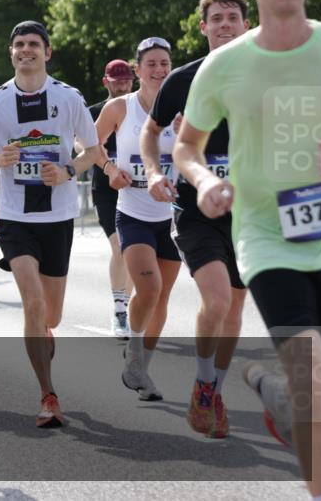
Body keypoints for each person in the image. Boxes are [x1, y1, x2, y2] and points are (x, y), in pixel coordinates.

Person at [175, 0, 321, 499]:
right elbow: (185, 146)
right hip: (267, 237)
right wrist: (204, 180)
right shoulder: (223, 66)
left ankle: (281, 395)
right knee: (315, 376)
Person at [0, 21, 101, 428]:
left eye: (33, 44)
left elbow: (92, 150)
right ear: (11, 52)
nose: (25, 50)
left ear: (47, 51)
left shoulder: (69, 97)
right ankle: (48, 395)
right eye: (19, 44)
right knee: (32, 303)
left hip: (57, 216)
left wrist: (67, 171)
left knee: (51, 315)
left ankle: (45, 332)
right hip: (15, 218)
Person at [140, 0, 251, 438]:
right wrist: (153, 173)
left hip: (250, 212)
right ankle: (205, 384)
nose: (224, 25)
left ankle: (213, 391)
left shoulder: (267, 77)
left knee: (236, 307)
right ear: (204, 27)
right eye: (216, 19)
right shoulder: (183, 79)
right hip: (196, 207)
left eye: (232, 17)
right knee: (218, 300)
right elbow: (151, 132)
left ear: (246, 25)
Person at [96, 37, 181, 402]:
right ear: (138, 69)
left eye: (165, 64)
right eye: (152, 64)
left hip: (172, 218)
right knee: (149, 288)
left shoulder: (183, 108)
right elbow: (89, 143)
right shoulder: (120, 107)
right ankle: (133, 349)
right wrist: (109, 168)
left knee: (161, 299)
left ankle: (139, 367)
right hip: (132, 213)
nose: (159, 70)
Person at [88, 60, 135, 337]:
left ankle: (125, 305)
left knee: (133, 251)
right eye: (117, 81)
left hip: (137, 188)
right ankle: (119, 311)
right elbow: (83, 143)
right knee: (119, 246)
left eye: (127, 79)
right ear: (106, 82)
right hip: (106, 190)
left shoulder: (141, 108)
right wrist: (108, 166)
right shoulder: (95, 112)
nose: (123, 85)